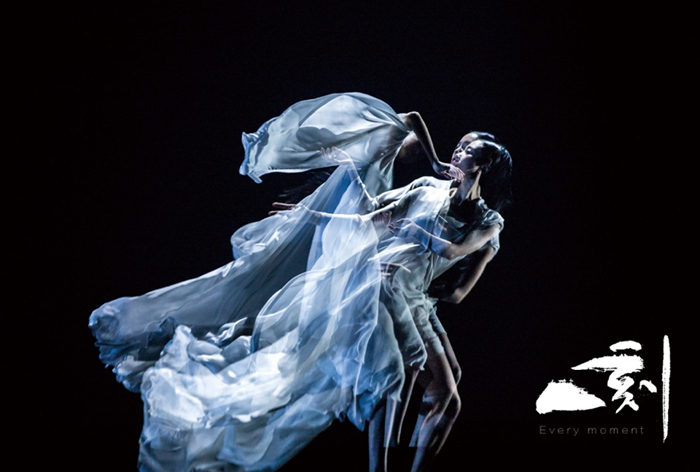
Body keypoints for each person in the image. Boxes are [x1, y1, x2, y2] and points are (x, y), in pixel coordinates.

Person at [89, 92, 508, 471]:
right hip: (382, 289)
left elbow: (456, 273)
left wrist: (422, 268)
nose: (458, 150)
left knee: (446, 395)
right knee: (397, 377)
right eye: (459, 145)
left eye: (468, 148)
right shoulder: (426, 188)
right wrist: (313, 210)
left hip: (415, 297)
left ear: (484, 164)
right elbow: (369, 216)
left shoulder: (488, 220)